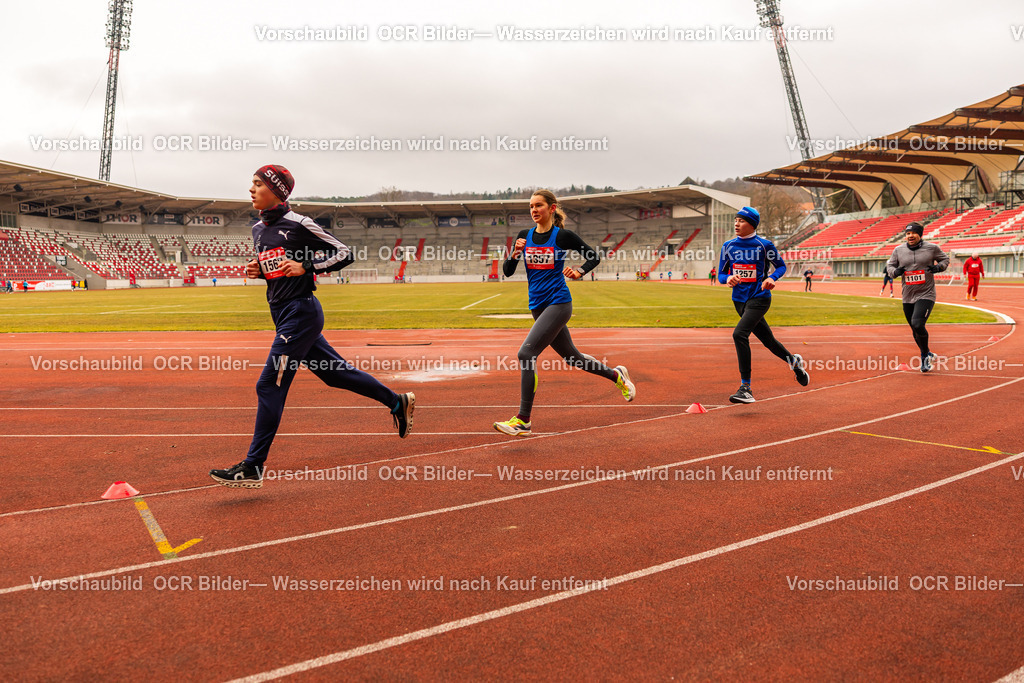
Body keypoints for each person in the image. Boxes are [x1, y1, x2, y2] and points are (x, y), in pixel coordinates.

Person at [210, 165, 414, 488]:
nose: (251, 189)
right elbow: (278, 268)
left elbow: (345, 254)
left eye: (257, 183)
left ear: (276, 191)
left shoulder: (300, 224)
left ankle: (253, 466)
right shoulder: (258, 231)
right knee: (335, 374)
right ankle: (396, 401)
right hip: (283, 315)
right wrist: (260, 270)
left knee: (269, 385)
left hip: (301, 314)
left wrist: (306, 265)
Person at [493, 189, 635, 436]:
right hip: (537, 306)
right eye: (531, 206)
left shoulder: (562, 236)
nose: (534, 210)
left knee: (526, 353)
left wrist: (579, 272)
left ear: (551, 208)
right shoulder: (523, 236)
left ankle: (523, 420)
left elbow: (593, 256)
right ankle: (617, 376)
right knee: (574, 358)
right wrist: (514, 253)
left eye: (538, 205)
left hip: (558, 304)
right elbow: (506, 272)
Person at [718, 206, 809, 403]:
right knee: (768, 341)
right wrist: (728, 279)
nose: (736, 223)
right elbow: (721, 274)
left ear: (752, 224)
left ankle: (746, 388)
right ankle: (794, 362)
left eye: (741, 221)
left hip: (760, 298)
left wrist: (772, 278)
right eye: (736, 220)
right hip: (739, 301)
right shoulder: (728, 246)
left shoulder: (764, 245)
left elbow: (781, 266)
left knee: (739, 334)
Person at [886, 222, 949, 373]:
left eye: (913, 233)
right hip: (908, 295)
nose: (910, 236)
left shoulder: (931, 248)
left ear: (920, 234)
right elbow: (889, 267)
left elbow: (945, 260)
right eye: (908, 233)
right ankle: (928, 353)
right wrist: (896, 272)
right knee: (914, 328)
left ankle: (924, 358)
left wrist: (938, 267)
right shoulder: (898, 250)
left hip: (926, 293)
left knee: (918, 323)